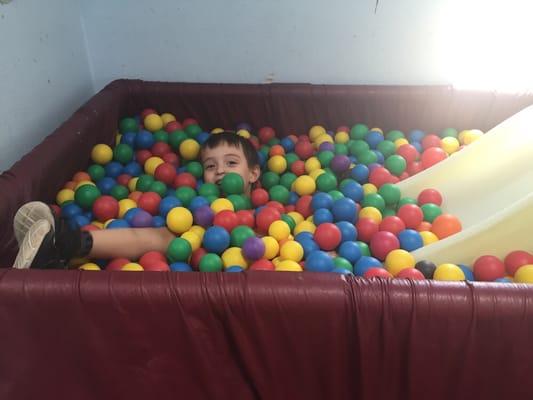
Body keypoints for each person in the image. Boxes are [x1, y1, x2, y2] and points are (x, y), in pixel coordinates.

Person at [13, 132, 261, 269]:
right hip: (191, 239)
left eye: (231, 163)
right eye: (210, 165)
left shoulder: (261, 210)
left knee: (164, 237)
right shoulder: (197, 204)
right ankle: (63, 242)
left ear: (253, 173)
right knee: (161, 234)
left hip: (227, 258)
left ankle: (58, 246)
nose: (219, 171)